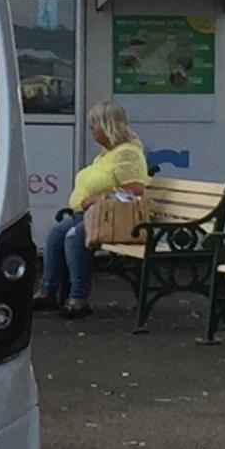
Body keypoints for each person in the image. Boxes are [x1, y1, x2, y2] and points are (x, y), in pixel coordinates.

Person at [41, 102, 146, 314]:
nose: (91, 132)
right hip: (89, 215)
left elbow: (135, 190)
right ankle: (47, 291)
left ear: (107, 127)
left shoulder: (127, 154)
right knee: (55, 234)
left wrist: (101, 197)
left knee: (73, 236)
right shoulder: (106, 155)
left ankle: (79, 298)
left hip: (112, 219)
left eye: (93, 127)